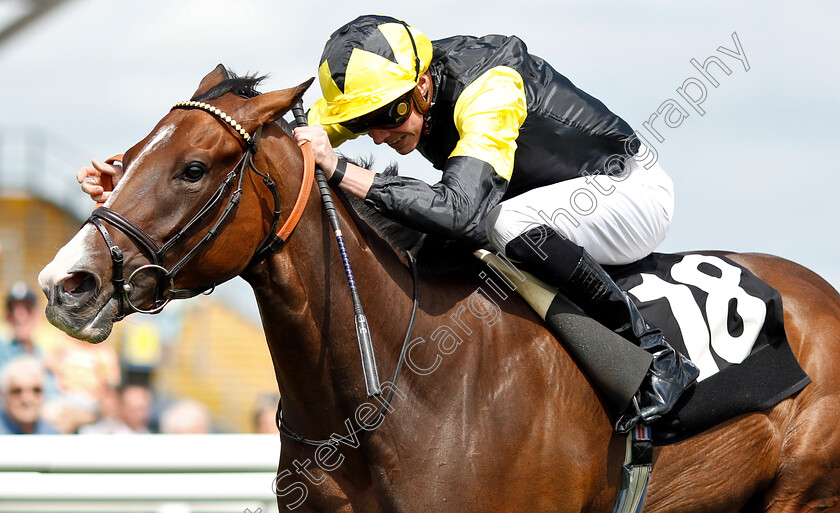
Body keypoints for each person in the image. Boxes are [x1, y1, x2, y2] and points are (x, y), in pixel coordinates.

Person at [76, 15, 698, 432]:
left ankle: (653, 351)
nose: (382, 132)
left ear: (424, 85)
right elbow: (265, 148)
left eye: (393, 114)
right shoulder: (384, 92)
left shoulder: (491, 89)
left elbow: (466, 213)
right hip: (541, 198)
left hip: (624, 192)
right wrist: (129, 178)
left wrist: (347, 168)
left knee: (496, 224)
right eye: (366, 119)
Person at [0, 355, 60, 434]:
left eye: (36, 390)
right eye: (17, 391)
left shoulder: (51, 432)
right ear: (4, 395)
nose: (27, 399)